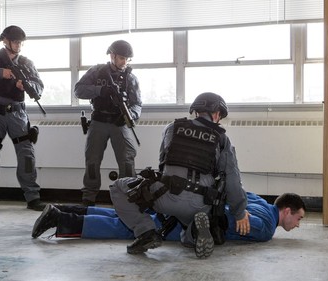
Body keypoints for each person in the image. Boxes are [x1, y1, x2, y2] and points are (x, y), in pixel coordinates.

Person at [109, 92, 250, 258]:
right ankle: (195, 231)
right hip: (201, 203)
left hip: (166, 195)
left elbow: (163, 164)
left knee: (117, 186)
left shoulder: (172, 128)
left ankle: (146, 232)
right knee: (187, 232)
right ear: (217, 113)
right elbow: (232, 178)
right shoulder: (222, 139)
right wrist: (240, 212)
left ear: (196, 111)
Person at [31, 192, 306, 244]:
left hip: (185, 203)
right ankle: (62, 220)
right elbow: (221, 219)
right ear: (286, 211)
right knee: (131, 229)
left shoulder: (258, 201)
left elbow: (234, 193)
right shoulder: (267, 227)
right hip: (186, 222)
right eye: (299, 219)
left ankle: (66, 209)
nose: (297, 225)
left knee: (128, 215)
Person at [0, 25, 46, 212]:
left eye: (21, 42)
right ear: (5, 40)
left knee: (27, 155)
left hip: (17, 114)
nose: (19, 45)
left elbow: (39, 87)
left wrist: (27, 85)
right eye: (16, 41)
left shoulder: (27, 63)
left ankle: (32, 197)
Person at [74, 40, 142, 207]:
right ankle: (88, 197)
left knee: (127, 161)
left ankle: (127, 197)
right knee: (92, 160)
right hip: (98, 121)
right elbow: (78, 90)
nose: (124, 62)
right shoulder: (96, 72)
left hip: (120, 123)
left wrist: (130, 116)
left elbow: (137, 104)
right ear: (112, 56)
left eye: (127, 59)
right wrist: (100, 90)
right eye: (121, 58)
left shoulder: (130, 78)